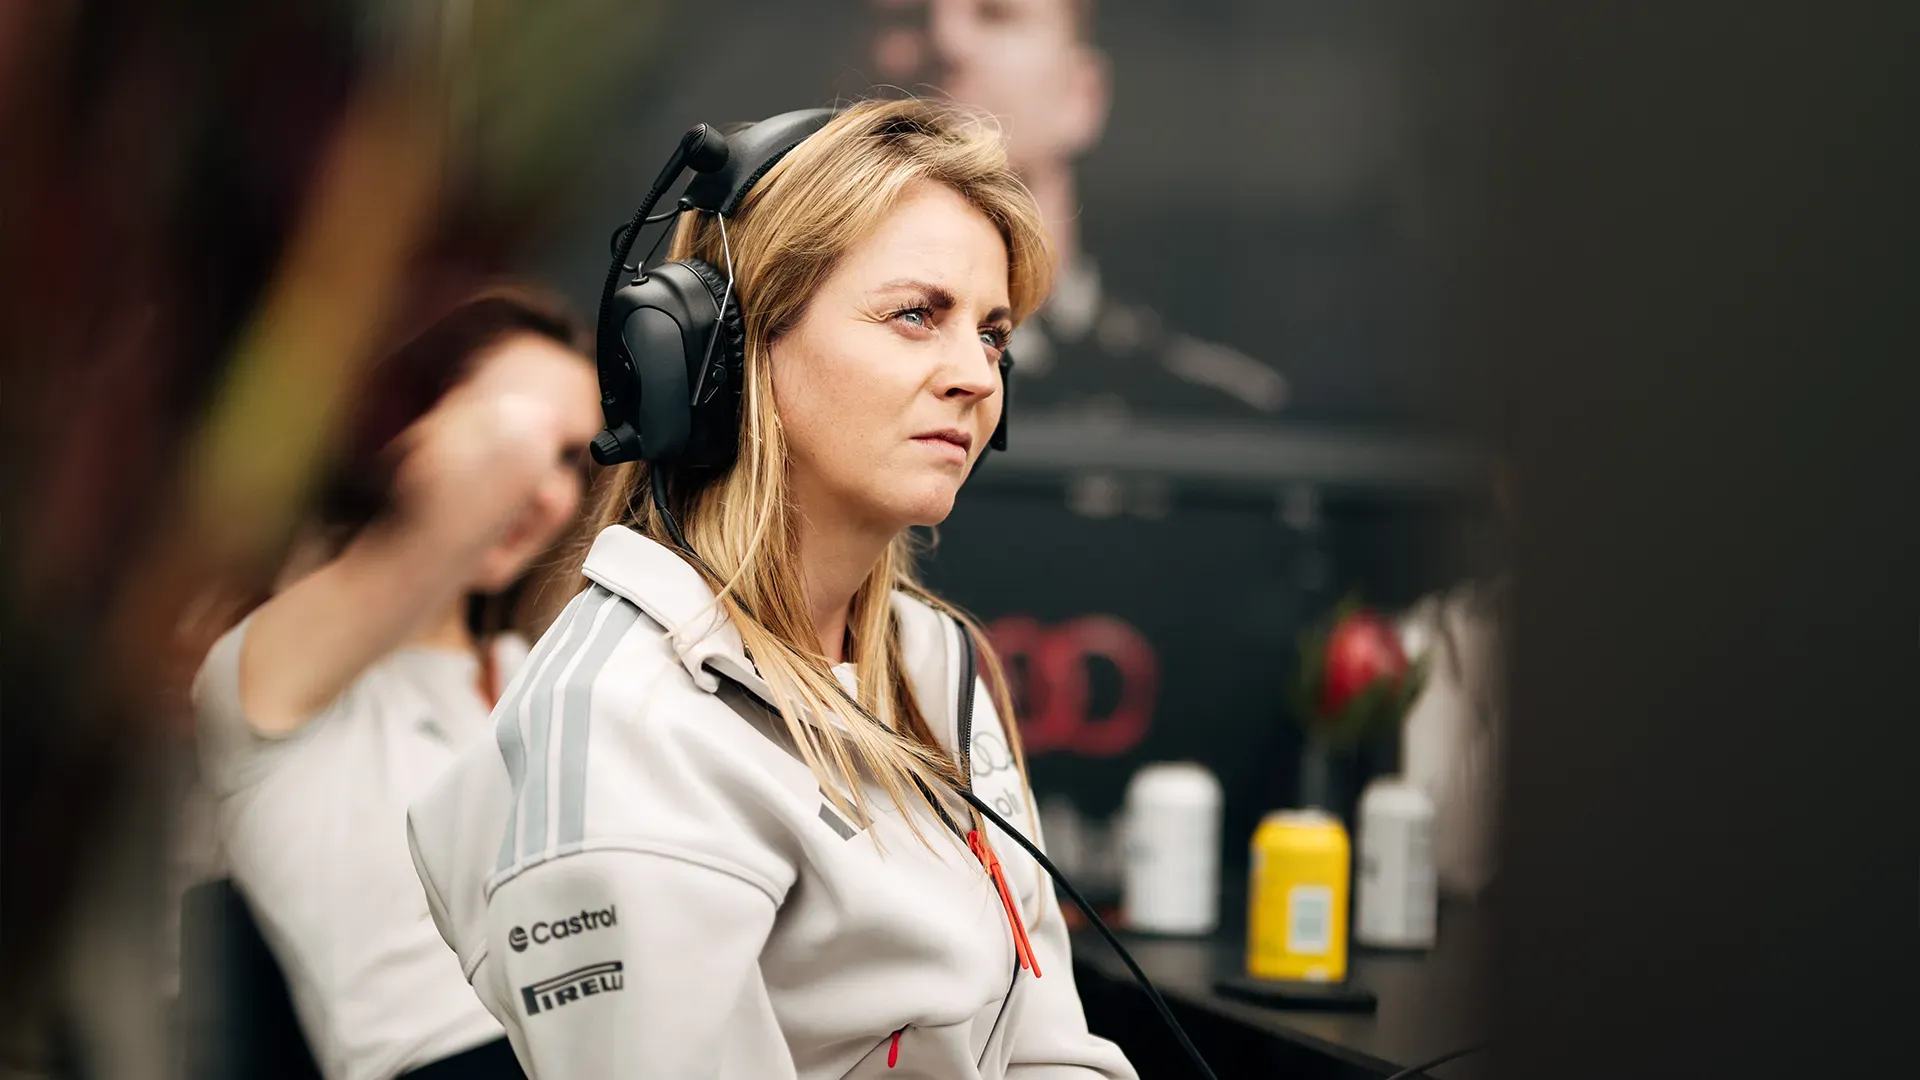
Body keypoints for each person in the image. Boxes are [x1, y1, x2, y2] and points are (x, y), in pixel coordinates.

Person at [406, 99, 1137, 1078]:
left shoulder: (937, 661)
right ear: (719, 351)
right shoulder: (623, 720)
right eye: (917, 314)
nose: (976, 374)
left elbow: (1049, 1051)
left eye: (993, 333)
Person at [192, 288, 604, 1080]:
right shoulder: (271, 670)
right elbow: (506, 448)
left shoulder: (540, 671)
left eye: (574, 461)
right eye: (528, 433)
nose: (548, 492)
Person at [868, 0, 1290, 422]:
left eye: (998, 14)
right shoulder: (814, 385)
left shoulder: (1213, 416)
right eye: (906, 16)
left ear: (1083, 94)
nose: (949, 42)